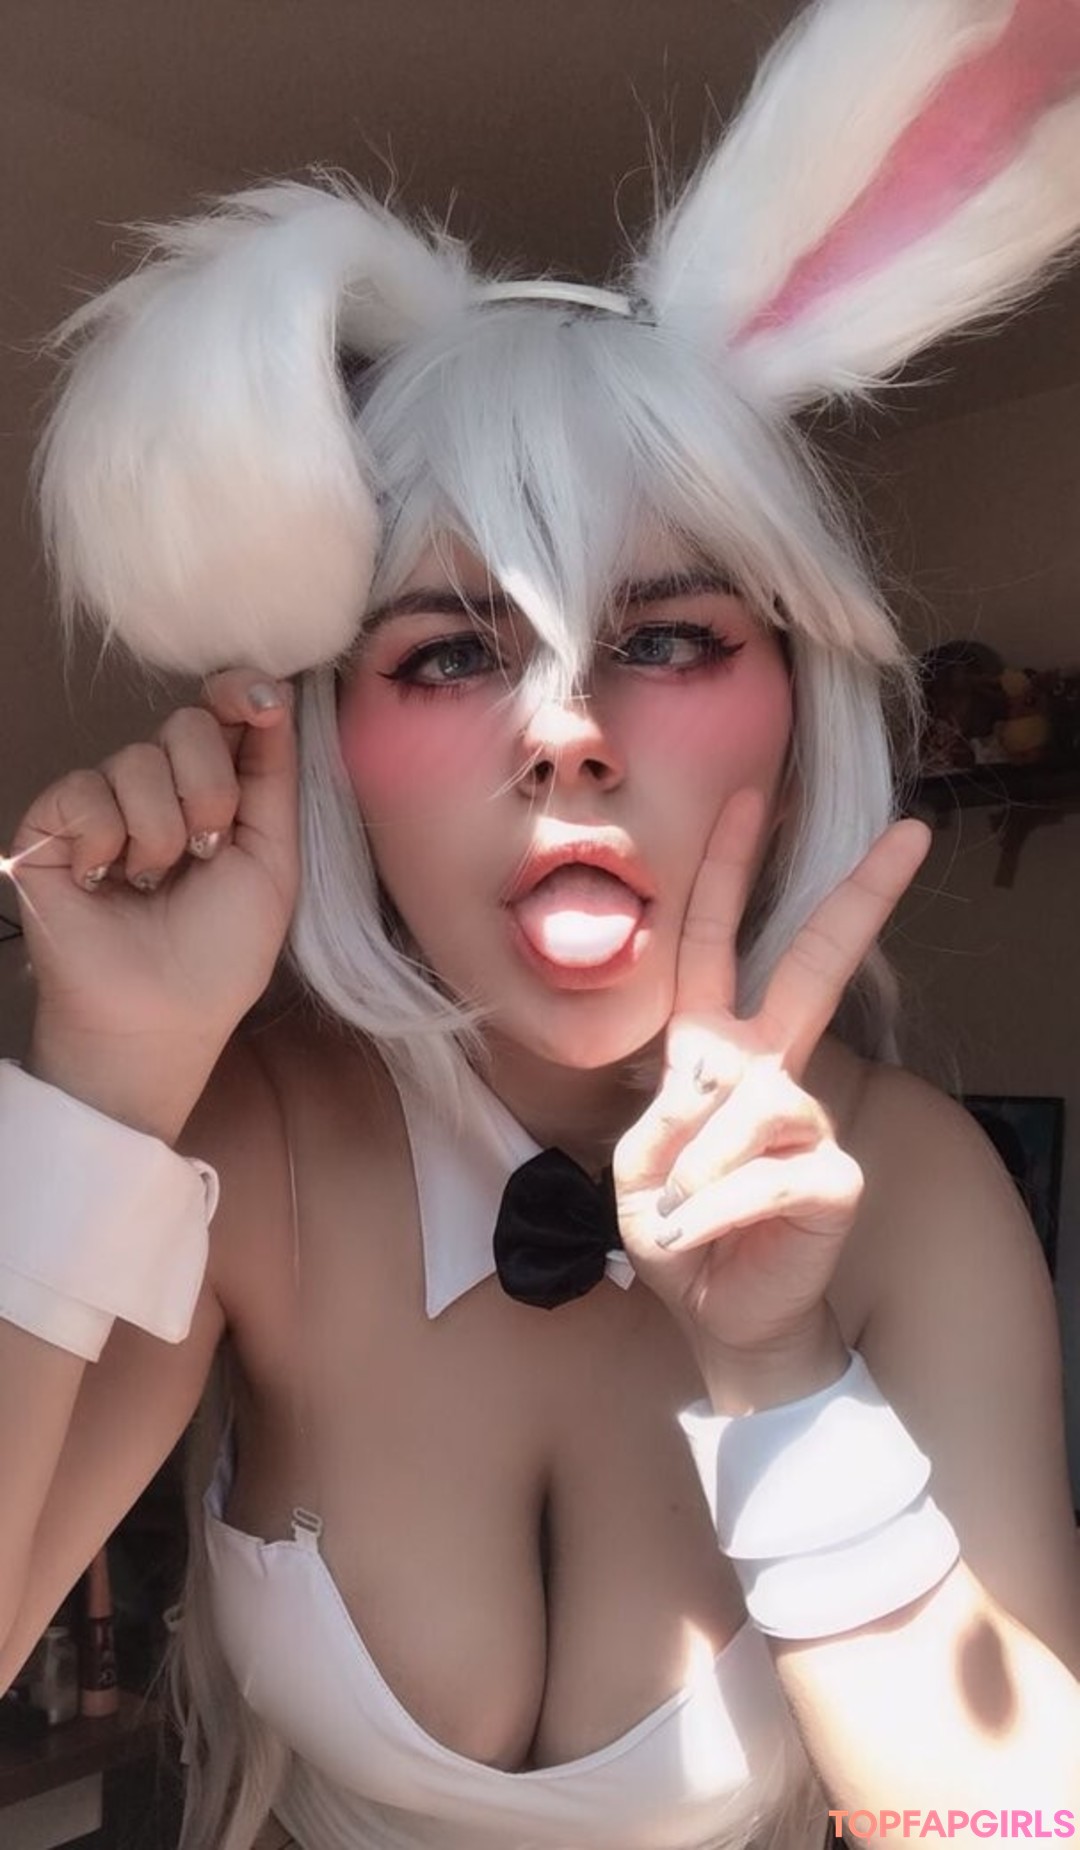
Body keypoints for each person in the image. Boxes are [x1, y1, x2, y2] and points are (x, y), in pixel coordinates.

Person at [2, 2, 1080, 1846]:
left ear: (791, 713)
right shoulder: (256, 1148)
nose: (568, 726)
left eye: (665, 635)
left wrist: (779, 1366)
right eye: (450, 652)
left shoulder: (918, 1194)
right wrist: (106, 1078)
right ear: (328, 745)